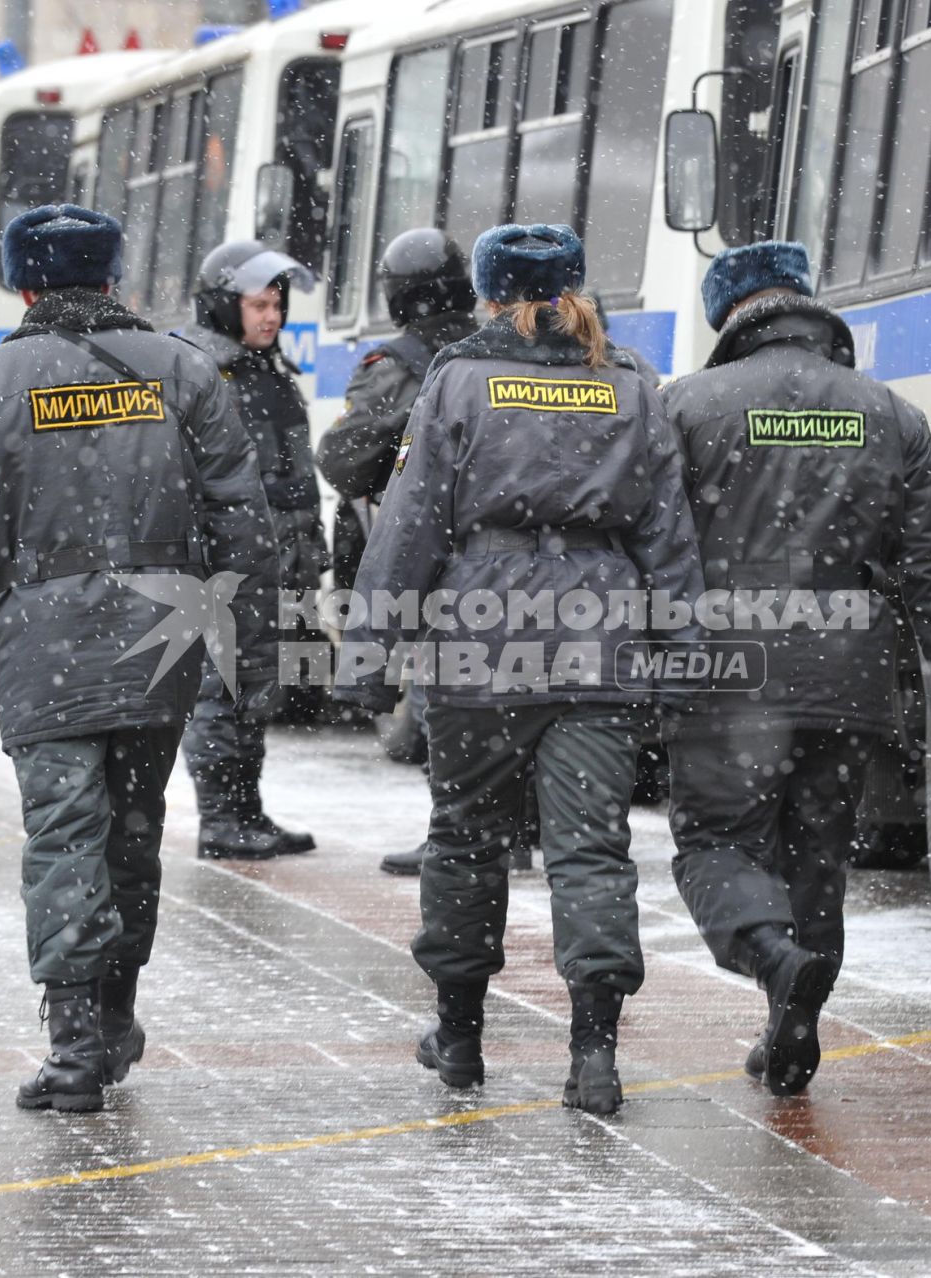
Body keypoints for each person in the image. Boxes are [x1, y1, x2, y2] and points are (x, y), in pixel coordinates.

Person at [0, 205, 279, 1113]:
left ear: (21, 284)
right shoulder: (182, 370)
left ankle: (72, 1050)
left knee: (64, 835)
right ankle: (113, 1021)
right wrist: (252, 658)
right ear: (112, 278)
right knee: (133, 835)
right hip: (163, 640)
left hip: (44, 648)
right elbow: (243, 526)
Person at [337, 224, 706, 1115]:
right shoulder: (627, 382)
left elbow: (413, 520)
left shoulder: (457, 380)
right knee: (591, 852)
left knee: (465, 839)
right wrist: (685, 649)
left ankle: (460, 1038)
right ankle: (594, 1054)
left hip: (481, 639)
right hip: (601, 640)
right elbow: (666, 533)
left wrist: (370, 649)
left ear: (491, 293)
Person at [660, 241, 931, 1096]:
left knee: (717, 844)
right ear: (806, 305)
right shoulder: (888, 414)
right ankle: (795, 1018)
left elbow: (652, 550)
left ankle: (774, 960)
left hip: (725, 676)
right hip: (847, 681)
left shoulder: (686, 407)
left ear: (727, 318)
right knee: (817, 857)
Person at [315, 227, 509, 880]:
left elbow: (350, 466)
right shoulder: (497, 354)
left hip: (427, 546)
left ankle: (456, 831)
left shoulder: (389, 366)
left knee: (442, 697)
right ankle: (516, 828)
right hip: (498, 548)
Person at [175, 239, 327, 860]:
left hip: (276, 560)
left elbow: (292, 476)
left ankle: (248, 810)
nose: (272, 317)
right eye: (259, 305)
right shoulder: (198, 371)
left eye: (278, 305)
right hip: (223, 564)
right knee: (220, 688)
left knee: (256, 684)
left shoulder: (269, 371)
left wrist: (308, 552)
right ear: (223, 304)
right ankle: (219, 819)